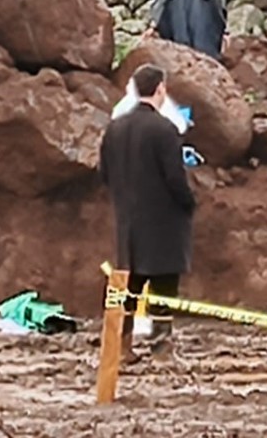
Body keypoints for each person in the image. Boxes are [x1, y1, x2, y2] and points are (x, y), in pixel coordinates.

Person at [98, 64, 195, 359]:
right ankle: (161, 347)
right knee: (164, 284)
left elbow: (104, 173)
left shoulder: (114, 128)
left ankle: (122, 346)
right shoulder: (164, 129)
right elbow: (175, 178)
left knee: (130, 283)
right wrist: (188, 202)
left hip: (127, 220)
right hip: (163, 222)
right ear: (161, 89)